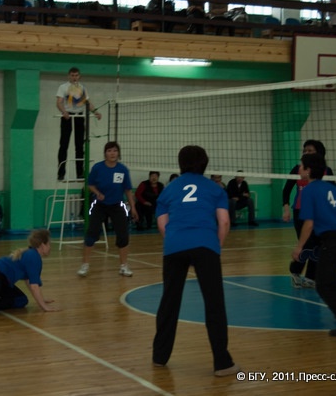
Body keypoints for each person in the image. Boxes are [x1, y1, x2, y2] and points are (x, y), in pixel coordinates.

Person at [152, 145, 240, 377]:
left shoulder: (169, 189)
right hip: (205, 245)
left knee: (169, 301)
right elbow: (224, 222)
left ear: (181, 163)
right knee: (214, 303)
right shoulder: (215, 188)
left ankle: (159, 356)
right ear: (204, 163)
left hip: (174, 245)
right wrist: (216, 246)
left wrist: (174, 240)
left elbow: (162, 223)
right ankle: (222, 363)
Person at [291, 153, 336, 337]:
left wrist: (299, 247)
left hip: (334, 240)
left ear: (308, 170)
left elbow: (309, 223)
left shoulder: (308, 191)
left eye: (301, 166)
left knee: (322, 284)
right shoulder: (330, 187)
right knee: (329, 272)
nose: (299, 169)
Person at [77, 141, 138, 277]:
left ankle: (123, 266)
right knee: (91, 234)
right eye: (109, 151)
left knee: (123, 236)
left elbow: (128, 190)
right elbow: (90, 185)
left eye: (115, 151)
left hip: (117, 205)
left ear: (118, 153)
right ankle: (85, 265)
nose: (112, 153)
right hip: (100, 205)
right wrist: (97, 193)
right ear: (105, 153)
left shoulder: (122, 169)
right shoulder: (98, 168)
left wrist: (133, 207)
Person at [282, 140, 333, 289]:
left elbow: (331, 193)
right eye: (305, 150)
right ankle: (295, 271)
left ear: (319, 152)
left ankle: (311, 277)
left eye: (310, 150)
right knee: (307, 244)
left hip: (320, 213)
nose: (306, 153)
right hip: (301, 211)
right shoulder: (298, 169)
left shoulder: (326, 171)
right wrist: (286, 209)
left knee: (319, 245)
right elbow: (286, 190)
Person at [56, 67, 102, 181]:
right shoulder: (63, 87)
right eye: (72, 75)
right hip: (67, 117)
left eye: (76, 75)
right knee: (64, 145)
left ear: (79, 76)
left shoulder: (82, 88)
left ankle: (80, 173)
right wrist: (64, 111)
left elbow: (88, 103)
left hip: (79, 117)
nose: (74, 77)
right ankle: (61, 173)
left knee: (80, 146)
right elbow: (59, 102)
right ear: (69, 76)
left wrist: (95, 112)